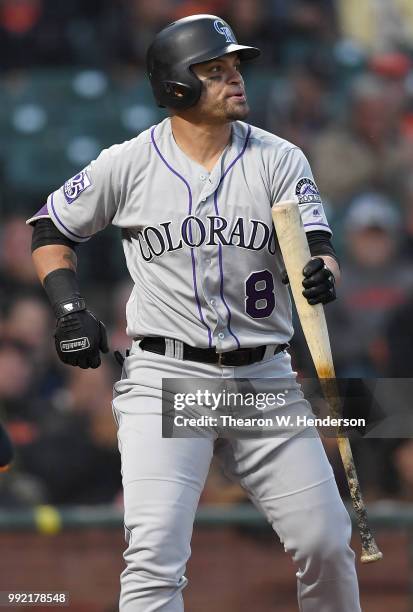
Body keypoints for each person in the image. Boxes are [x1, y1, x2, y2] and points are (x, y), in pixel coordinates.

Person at [28, 14, 360, 612]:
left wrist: (321, 276)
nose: (236, 78)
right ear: (177, 84)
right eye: (217, 70)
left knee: (328, 543)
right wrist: (70, 309)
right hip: (166, 378)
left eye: (235, 67)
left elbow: (321, 251)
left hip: (264, 379)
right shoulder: (128, 163)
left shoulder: (279, 159)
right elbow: (51, 228)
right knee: (154, 554)